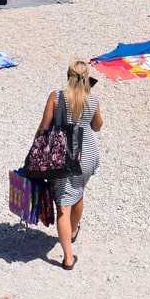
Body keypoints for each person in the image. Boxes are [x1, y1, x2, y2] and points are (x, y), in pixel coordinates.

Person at [37, 61, 102, 270]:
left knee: (63, 205)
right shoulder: (91, 99)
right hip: (88, 155)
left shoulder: (56, 97)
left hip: (64, 157)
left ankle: (67, 258)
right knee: (79, 193)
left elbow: (44, 126)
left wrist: (36, 150)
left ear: (68, 76)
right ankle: (73, 232)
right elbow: (97, 126)